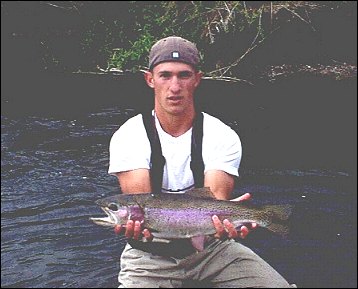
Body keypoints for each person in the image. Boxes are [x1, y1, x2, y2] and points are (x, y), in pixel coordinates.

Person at [108, 36, 294, 288]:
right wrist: (132, 225)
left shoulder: (222, 135)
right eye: (165, 75)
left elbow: (214, 200)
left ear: (197, 79)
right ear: (150, 79)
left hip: (214, 251)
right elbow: (140, 204)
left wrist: (231, 221)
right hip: (150, 256)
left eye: (184, 75)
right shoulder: (128, 136)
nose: (174, 86)